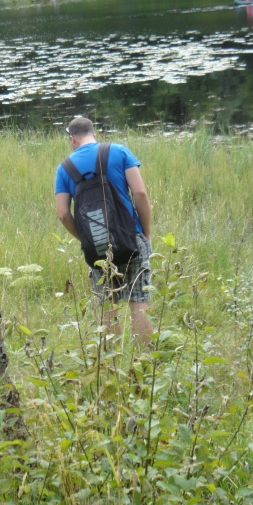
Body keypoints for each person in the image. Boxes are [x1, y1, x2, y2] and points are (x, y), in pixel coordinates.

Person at [55, 117, 153, 346]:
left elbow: (62, 213)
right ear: (94, 134)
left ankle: (112, 366)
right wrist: (145, 233)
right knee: (138, 302)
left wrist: (86, 239)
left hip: (97, 248)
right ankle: (146, 366)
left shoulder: (64, 168)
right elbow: (140, 194)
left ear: (72, 139)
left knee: (108, 307)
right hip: (132, 240)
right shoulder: (119, 152)